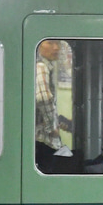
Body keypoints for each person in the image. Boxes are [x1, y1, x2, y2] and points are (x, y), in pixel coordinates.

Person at [34, 39, 72, 170]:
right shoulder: (41, 67)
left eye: (58, 43)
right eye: (50, 43)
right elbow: (44, 98)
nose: (56, 48)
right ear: (38, 46)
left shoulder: (46, 67)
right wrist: (52, 127)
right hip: (43, 141)